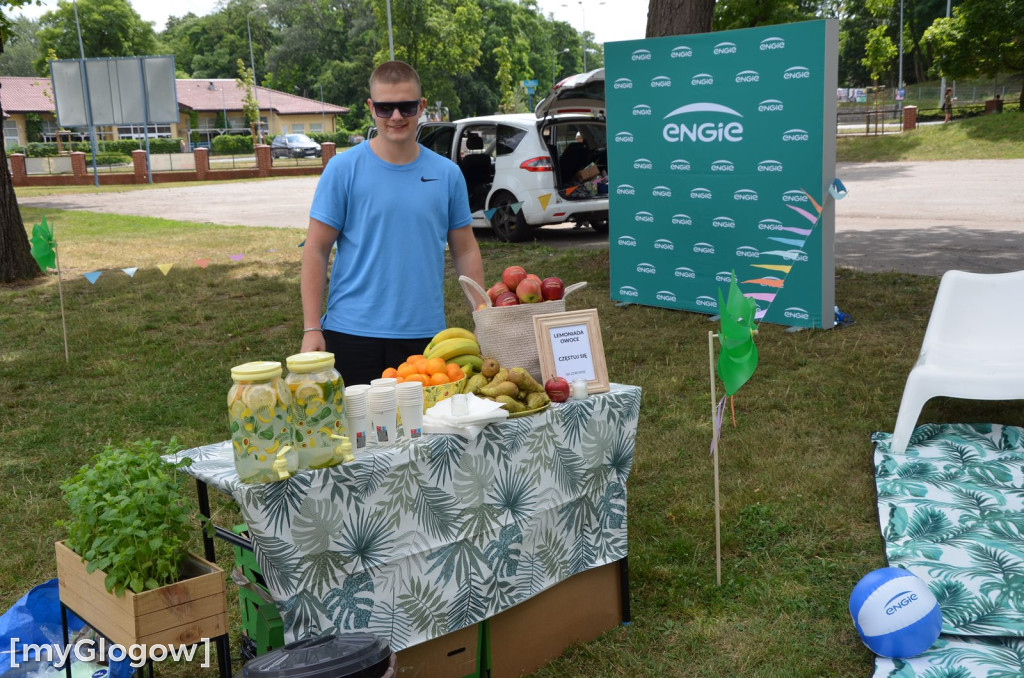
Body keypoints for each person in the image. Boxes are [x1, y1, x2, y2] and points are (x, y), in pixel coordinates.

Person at [300, 61, 484, 386]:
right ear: (371, 108)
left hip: (424, 337)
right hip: (349, 333)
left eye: (406, 106)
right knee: (357, 435)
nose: (396, 116)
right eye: (385, 107)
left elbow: (466, 250)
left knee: (419, 435)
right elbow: (316, 249)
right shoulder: (343, 169)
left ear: (422, 106)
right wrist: (312, 327)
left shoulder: (447, 174)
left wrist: (483, 316)